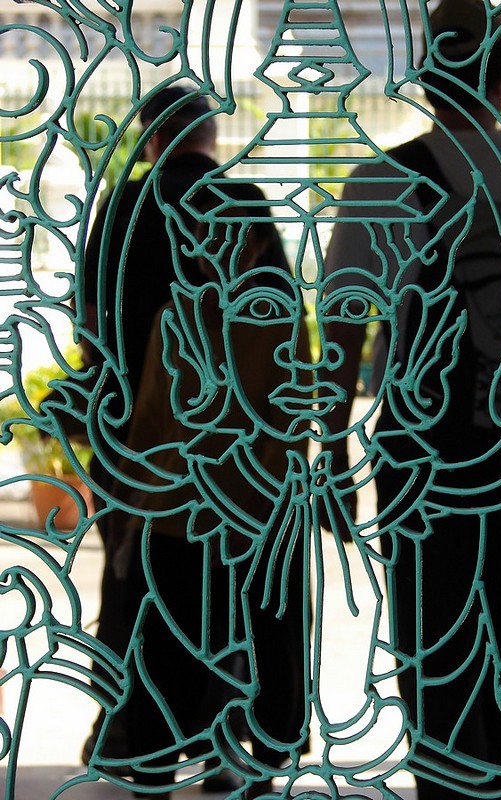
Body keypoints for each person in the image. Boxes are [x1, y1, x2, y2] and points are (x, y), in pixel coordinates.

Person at [321, 1, 501, 798]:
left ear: (425, 80)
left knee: (436, 651)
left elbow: (343, 330)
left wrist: (332, 450)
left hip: (423, 463)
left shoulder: (382, 182)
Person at [80, 84, 294, 788]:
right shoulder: (243, 201)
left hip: (141, 439)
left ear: (149, 135)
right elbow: (284, 328)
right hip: (242, 452)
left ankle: (135, 735)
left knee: (141, 590)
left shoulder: (124, 206)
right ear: (211, 134)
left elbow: (92, 319)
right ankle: (231, 742)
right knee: (239, 598)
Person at [105, 182, 312, 799]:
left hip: (218, 517)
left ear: (258, 243)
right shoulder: (195, 316)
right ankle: (200, 768)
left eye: (229, 232)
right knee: (210, 649)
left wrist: (142, 503)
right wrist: (133, 506)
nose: (213, 245)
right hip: (214, 515)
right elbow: (155, 422)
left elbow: (283, 427)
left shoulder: (246, 318)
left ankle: (198, 768)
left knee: (213, 650)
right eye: (203, 232)